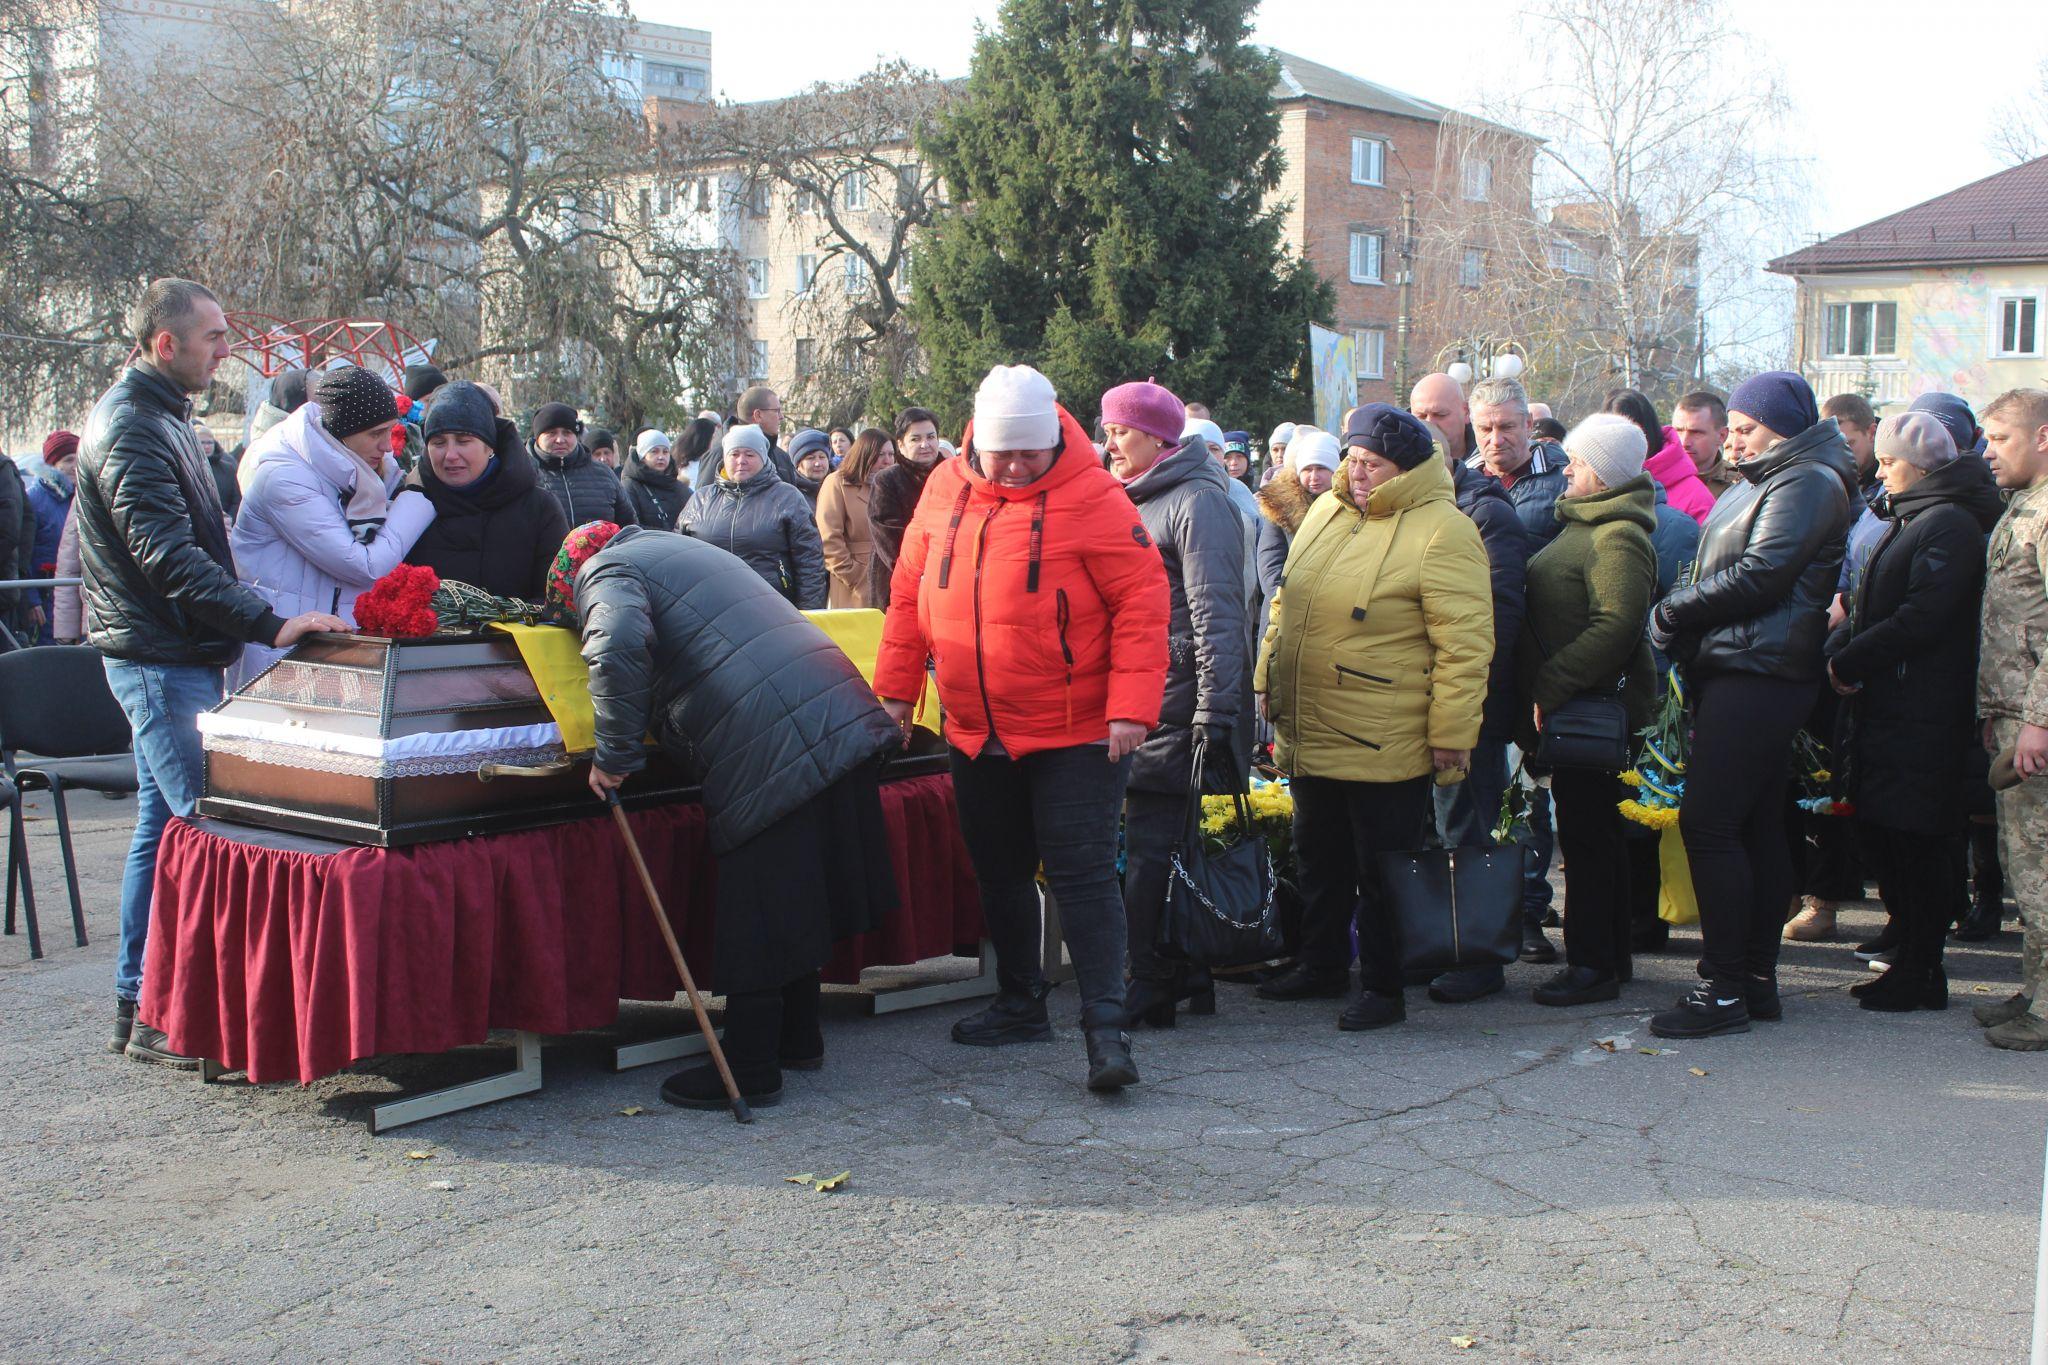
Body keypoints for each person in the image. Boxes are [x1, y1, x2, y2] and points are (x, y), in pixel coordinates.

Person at [873, 365, 1170, 1093]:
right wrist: (895, 691)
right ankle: (1019, 1000)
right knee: (998, 869)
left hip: (1075, 731)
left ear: (1051, 441)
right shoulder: (944, 488)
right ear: (976, 441)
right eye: (1001, 453)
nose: (1012, 467)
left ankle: (1107, 1030)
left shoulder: (1093, 495)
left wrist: (1132, 705)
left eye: (1027, 454)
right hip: (975, 725)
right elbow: (910, 593)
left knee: (1083, 875)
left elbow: (1142, 598)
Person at [75, 279, 346, 1064]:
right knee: (207, 835)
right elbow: (169, 559)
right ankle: (180, 1015)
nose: (229, 350)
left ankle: (142, 1003)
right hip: (159, 660)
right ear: (167, 344)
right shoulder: (131, 426)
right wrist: (268, 620)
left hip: (172, 653)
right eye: (217, 337)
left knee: (165, 829)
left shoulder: (159, 415)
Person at [573, 522, 903, 1110]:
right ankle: (798, 1039)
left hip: (768, 734)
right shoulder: (681, 548)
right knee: (797, 893)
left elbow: (616, 641)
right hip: (837, 707)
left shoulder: (605, 568)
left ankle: (751, 1066)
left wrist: (614, 757)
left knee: (759, 907)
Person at [1254, 404, 1492, 1031]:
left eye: (1374, 465)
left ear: (1407, 470)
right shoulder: (1326, 511)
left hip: (1385, 732)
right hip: (1313, 722)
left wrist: (1452, 735)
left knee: (1382, 866)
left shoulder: (1445, 530)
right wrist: (1266, 682)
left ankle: (1383, 988)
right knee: (1317, 854)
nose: (1358, 474)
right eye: (1354, 460)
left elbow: (1465, 645)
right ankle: (1322, 962)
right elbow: (1286, 606)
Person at [1647, 371, 1856, 1039]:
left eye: (1745, 428)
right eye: (1731, 428)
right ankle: (1754, 980)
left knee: (1710, 825)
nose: (1732, 441)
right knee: (1756, 826)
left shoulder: (1807, 481)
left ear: (1783, 427)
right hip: (1746, 665)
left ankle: (1724, 984)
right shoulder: (1771, 477)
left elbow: (1764, 572)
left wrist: (1675, 609)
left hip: (1761, 671)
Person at [1824, 412, 2000, 1012]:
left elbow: (1923, 616)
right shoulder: (1913, 517)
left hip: (1925, 711)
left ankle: (1923, 968)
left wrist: (1854, 661)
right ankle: (1912, 962)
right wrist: (1846, 654)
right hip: (1895, 706)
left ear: (1920, 466)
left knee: (1923, 841)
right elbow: (1870, 605)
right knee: (1893, 835)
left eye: (1891, 462)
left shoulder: (1945, 523)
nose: (1881, 470)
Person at [1101, 379, 1251, 1030]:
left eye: (1121, 432)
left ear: (1160, 438)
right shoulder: (1129, 497)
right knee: (1156, 848)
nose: (1109, 444)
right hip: (1139, 696)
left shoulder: (1197, 500)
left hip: (1178, 702)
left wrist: (1215, 711)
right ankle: (1184, 970)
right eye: (1105, 430)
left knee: (1152, 852)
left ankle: (1152, 980)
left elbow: (1219, 612)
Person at [1515, 415, 1659, 1005]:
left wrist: (1551, 684)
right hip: (1580, 708)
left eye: (1575, 461)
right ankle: (1610, 958)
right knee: (1597, 837)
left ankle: (1593, 966)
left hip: (1589, 714)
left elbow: (1618, 624)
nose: (1566, 469)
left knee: (1589, 841)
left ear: (1600, 472)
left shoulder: (1616, 534)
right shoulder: (1591, 524)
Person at [1422, 406, 1537, 1004]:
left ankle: (1480, 958)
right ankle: (1437, 946)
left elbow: (1497, 619)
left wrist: (1467, 707)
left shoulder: (1486, 513)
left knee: (1466, 828)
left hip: (1471, 707)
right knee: (1437, 829)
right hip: (1428, 702)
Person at [229, 366, 437, 685]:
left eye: (389, 431)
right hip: (280, 658)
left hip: (331, 651)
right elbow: (362, 565)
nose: (386, 446)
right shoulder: (283, 478)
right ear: (340, 431)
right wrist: (416, 498)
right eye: (375, 433)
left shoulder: (359, 470)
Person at [1974, 388, 2048, 1049]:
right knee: (2024, 863)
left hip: (2037, 721)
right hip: (2013, 714)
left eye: (1999, 438)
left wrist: (2039, 721)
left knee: (2044, 865)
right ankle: (2036, 987)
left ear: (2043, 437)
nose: (1987, 450)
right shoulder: (2021, 505)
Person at [405, 381, 569, 602]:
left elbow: (554, 600)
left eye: (463, 441)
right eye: (438, 442)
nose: (450, 455)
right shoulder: (408, 507)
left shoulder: (539, 509)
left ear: (489, 445)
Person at [681, 423, 827, 609]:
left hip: (772, 608)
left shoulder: (787, 498)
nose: (741, 460)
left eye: (750, 454)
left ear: (763, 458)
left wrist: (809, 614)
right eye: (734, 454)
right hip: (711, 609)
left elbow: (810, 564)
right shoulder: (701, 500)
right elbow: (681, 557)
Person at [1254, 428, 1337, 640]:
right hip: (1283, 615)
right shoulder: (1280, 508)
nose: (1314, 477)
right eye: (1308, 469)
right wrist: (1292, 605)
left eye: (1321, 468)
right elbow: (1270, 565)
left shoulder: (1349, 508)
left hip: (1332, 617)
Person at [1466, 377, 1566, 548]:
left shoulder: (1565, 483)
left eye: (1506, 427)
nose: (1496, 440)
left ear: (1528, 424)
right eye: (1486, 429)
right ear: (1474, 428)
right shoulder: (1453, 482)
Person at [867, 406, 944, 609]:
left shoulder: (953, 476)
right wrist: (923, 576)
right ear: (900, 445)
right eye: (915, 439)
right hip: (899, 583)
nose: (925, 444)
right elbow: (889, 539)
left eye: (931, 436)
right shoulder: (887, 480)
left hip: (946, 583)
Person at [1608, 389, 1713, 526]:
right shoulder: (1588, 485)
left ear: (1647, 432)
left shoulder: (1696, 497)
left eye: (1630, 432)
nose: (1686, 441)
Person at [817, 427, 891, 609]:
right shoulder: (837, 483)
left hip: (891, 580)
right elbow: (829, 539)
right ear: (864, 454)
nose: (887, 461)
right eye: (880, 454)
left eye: (891, 454)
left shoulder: (892, 485)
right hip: (855, 585)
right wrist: (856, 577)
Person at [529, 402, 634, 530]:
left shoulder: (603, 474)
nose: (560, 440)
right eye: (552, 433)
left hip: (605, 550)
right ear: (538, 437)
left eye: (567, 433)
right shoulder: (524, 474)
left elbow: (629, 524)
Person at [21, 431, 80, 644]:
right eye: (68, 460)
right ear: (52, 464)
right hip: (46, 600)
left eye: (78, 457)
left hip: (77, 597)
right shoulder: (34, 500)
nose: (75, 465)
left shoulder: (83, 497)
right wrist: (31, 599)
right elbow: (23, 555)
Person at [1673, 391, 1739, 501]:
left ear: (1722, 436)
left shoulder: (1738, 487)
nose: (1684, 442)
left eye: (1696, 433)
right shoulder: (1654, 476)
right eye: (1678, 431)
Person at [621, 428, 688, 531]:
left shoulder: (678, 486)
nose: (661, 457)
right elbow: (631, 526)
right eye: (654, 452)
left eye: (665, 452)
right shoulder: (630, 486)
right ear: (642, 456)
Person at [1409, 372, 1474, 466]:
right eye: (1421, 416)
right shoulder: (1395, 463)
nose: (1429, 423)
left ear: (1466, 412)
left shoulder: (1489, 459)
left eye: (1440, 415)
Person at [736, 385, 797, 483]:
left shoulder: (782, 457)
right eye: (776, 411)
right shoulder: (722, 455)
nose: (781, 417)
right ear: (758, 415)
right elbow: (707, 496)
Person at [191, 421, 240, 525]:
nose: (207, 447)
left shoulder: (228, 468)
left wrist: (229, 520)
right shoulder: (188, 469)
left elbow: (236, 500)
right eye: (202, 443)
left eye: (209, 442)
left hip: (225, 525)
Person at [787, 427, 832, 512]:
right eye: (810, 458)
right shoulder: (790, 495)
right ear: (798, 465)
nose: (818, 463)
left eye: (822, 457)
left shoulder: (838, 489)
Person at [676, 415, 722, 497]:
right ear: (704, 439)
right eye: (714, 437)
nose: (717, 441)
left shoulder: (681, 460)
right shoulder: (694, 467)